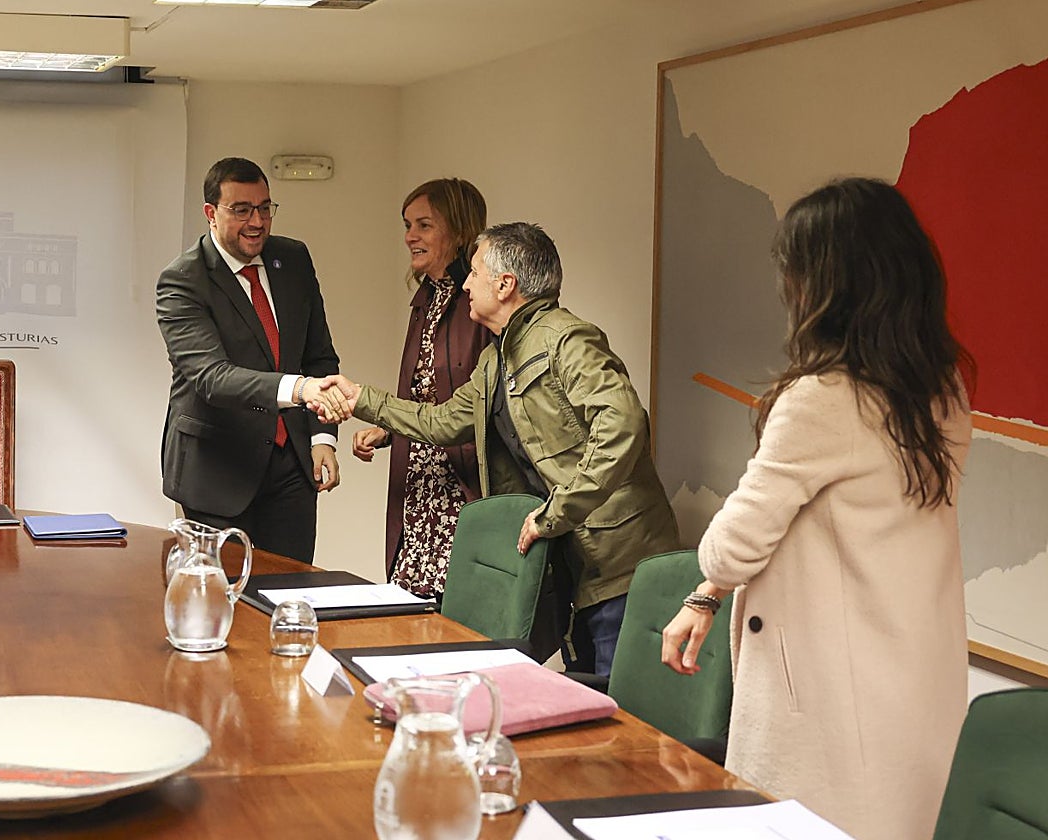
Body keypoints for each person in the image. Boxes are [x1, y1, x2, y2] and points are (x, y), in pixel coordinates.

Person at [659, 178, 974, 840]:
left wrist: (712, 575)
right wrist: (707, 597)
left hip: (830, 709)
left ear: (825, 283)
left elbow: (729, 546)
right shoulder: (939, 391)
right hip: (909, 688)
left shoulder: (822, 398)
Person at [311, 222, 680, 676]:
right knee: (588, 698)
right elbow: (444, 421)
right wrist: (360, 400)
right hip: (575, 570)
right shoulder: (496, 359)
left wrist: (559, 510)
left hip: (620, 562)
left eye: (475, 272)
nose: (465, 282)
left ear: (506, 285)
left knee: (624, 713)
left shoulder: (567, 338)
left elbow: (622, 424)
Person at [156, 157, 344, 564]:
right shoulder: (183, 280)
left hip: (292, 465)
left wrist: (321, 437)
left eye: (264, 208)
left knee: (289, 593)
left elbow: (318, 355)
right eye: (241, 210)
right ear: (211, 213)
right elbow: (212, 378)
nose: (257, 221)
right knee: (222, 604)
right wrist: (299, 388)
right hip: (217, 470)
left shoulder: (293, 259)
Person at [352, 178, 490, 598]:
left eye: (424, 225)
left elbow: (473, 411)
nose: (410, 236)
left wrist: (368, 405)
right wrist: (389, 430)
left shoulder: (481, 306)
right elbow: (427, 397)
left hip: (462, 496)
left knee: (456, 622)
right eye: (407, 225)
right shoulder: (426, 299)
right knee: (409, 614)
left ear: (460, 231)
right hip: (418, 491)